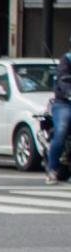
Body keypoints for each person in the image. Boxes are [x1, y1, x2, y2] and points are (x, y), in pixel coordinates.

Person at [47, 46, 71, 184]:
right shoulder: (66, 60)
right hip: (64, 103)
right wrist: (69, 92)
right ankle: (52, 170)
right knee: (61, 131)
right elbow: (64, 80)